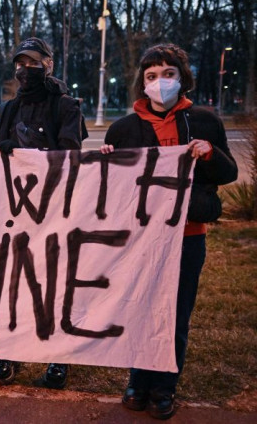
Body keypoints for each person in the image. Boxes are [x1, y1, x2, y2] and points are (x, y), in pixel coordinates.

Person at [101, 43, 237, 419]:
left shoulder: (205, 120)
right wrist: (109, 161)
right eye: (151, 76)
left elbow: (228, 174)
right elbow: (111, 189)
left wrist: (210, 152)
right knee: (140, 309)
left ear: (182, 77)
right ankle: (138, 381)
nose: (160, 82)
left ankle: (164, 386)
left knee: (175, 314)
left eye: (168, 74)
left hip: (188, 236)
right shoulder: (124, 128)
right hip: (141, 240)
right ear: (141, 83)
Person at [0, 37, 86, 389]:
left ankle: (59, 357)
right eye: (19, 63)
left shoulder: (66, 105)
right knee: (13, 281)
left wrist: (29, 149)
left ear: (48, 64)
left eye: (32, 61)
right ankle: (9, 350)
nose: (24, 69)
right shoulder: (10, 109)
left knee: (55, 285)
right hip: (16, 208)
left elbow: (70, 156)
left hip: (55, 208)